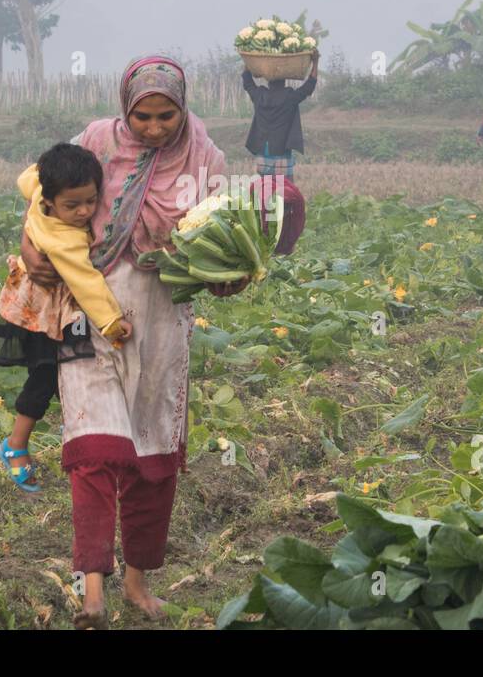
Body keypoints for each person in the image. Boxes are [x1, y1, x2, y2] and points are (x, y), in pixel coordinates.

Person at [18, 54, 246, 629]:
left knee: (150, 452)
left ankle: (138, 584)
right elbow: (44, 199)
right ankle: (93, 590)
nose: (152, 129)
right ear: (125, 107)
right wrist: (30, 250)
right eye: (142, 116)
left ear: (182, 107)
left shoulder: (206, 159)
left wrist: (234, 272)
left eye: (165, 116)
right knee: (96, 449)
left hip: (163, 309)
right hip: (85, 302)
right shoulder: (96, 139)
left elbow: (221, 243)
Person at [0, 143, 133, 493]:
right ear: (52, 200)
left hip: (40, 302)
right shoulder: (65, 239)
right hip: (45, 309)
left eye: (91, 200)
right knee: (46, 376)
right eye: (73, 205)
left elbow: (26, 177)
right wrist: (112, 322)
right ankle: (15, 446)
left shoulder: (41, 186)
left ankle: (66, 437)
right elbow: (87, 283)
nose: (85, 211)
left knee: (61, 373)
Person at [242, 51, 318, 179]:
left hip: (263, 153)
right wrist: (315, 62)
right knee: (285, 194)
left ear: (268, 80)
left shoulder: (259, 95)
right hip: (282, 152)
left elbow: (247, 79)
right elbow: (310, 85)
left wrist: (248, 59)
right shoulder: (290, 97)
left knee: (264, 192)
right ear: (285, 81)